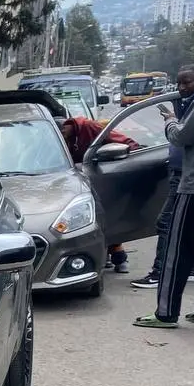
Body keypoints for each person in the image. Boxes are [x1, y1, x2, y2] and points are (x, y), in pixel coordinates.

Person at [134, 64, 194, 328]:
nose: (182, 88)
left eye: (187, 82)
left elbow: (181, 137)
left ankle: (165, 313)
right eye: (180, 83)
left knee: (178, 249)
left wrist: (170, 121)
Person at [60, 116, 137, 273]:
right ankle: (104, 254)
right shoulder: (56, 140)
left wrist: (127, 162)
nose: (62, 136)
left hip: (98, 177)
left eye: (62, 132)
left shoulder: (88, 127)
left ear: (65, 127)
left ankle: (118, 256)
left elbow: (125, 142)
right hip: (71, 184)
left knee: (106, 215)